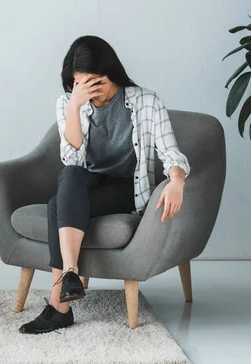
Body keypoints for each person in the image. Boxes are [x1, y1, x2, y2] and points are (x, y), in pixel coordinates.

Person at [19, 35, 190, 334]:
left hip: (126, 187)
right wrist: (74, 108)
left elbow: (169, 151)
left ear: (111, 72)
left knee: (55, 205)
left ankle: (59, 306)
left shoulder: (146, 102)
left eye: (95, 82)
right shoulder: (69, 103)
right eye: (80, 84)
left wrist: (176, 179)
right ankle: (70, 275)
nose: (90, 91)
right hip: (86, 183)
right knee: (69, 176)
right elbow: (71, 159)